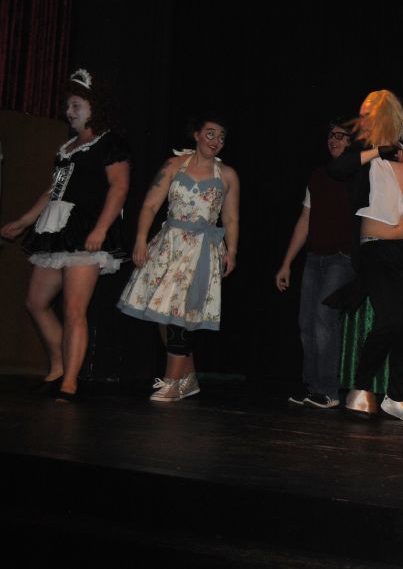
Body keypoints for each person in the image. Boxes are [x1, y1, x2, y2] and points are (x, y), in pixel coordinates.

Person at [1, 68, 130, 401]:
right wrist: (24, 221)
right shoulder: (67, 148)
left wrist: (101, 229)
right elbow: (53, 191)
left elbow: (119, 188)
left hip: (86, 230)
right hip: (57, 230)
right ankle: (59, 365)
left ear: (93, 107)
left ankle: (69, 383)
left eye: (76, 105)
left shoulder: (109, 143)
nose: (69, 112)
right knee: (36, 302)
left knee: (74, 310)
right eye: (68, 106)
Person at [326, 90, 403, 422]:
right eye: (362, 112)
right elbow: (337, 169)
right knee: (390, 320)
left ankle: (396, 396)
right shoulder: (363, 153)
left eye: (369, 112)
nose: (363, 118)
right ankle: (360, 386)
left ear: (387, 114)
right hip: (375, 249)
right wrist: (377, 151)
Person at [118, 114, 239, 402]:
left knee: (180, 315)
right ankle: (188, 377)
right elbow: (150, 205)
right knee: (163, 313)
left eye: (221, 137)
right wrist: (140, 239)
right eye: (210, 134)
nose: (216, 141)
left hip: (201, 250)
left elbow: (231, 218)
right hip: (170, 245)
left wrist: (232, 251)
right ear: (196, 135)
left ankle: (172, 382)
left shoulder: (227, 175)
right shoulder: (174, 165)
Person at [275, 118, 356, 409]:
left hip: (341, 257)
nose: (334, 140)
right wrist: (286, 263)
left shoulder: (357, 174)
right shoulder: (318, 175)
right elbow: (305, 220)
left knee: (324, 319)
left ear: (352, 142)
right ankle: (313, 387)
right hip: (314, 257)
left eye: (341, 136)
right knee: (306, 323)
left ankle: (329, 391)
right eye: (331, 135)